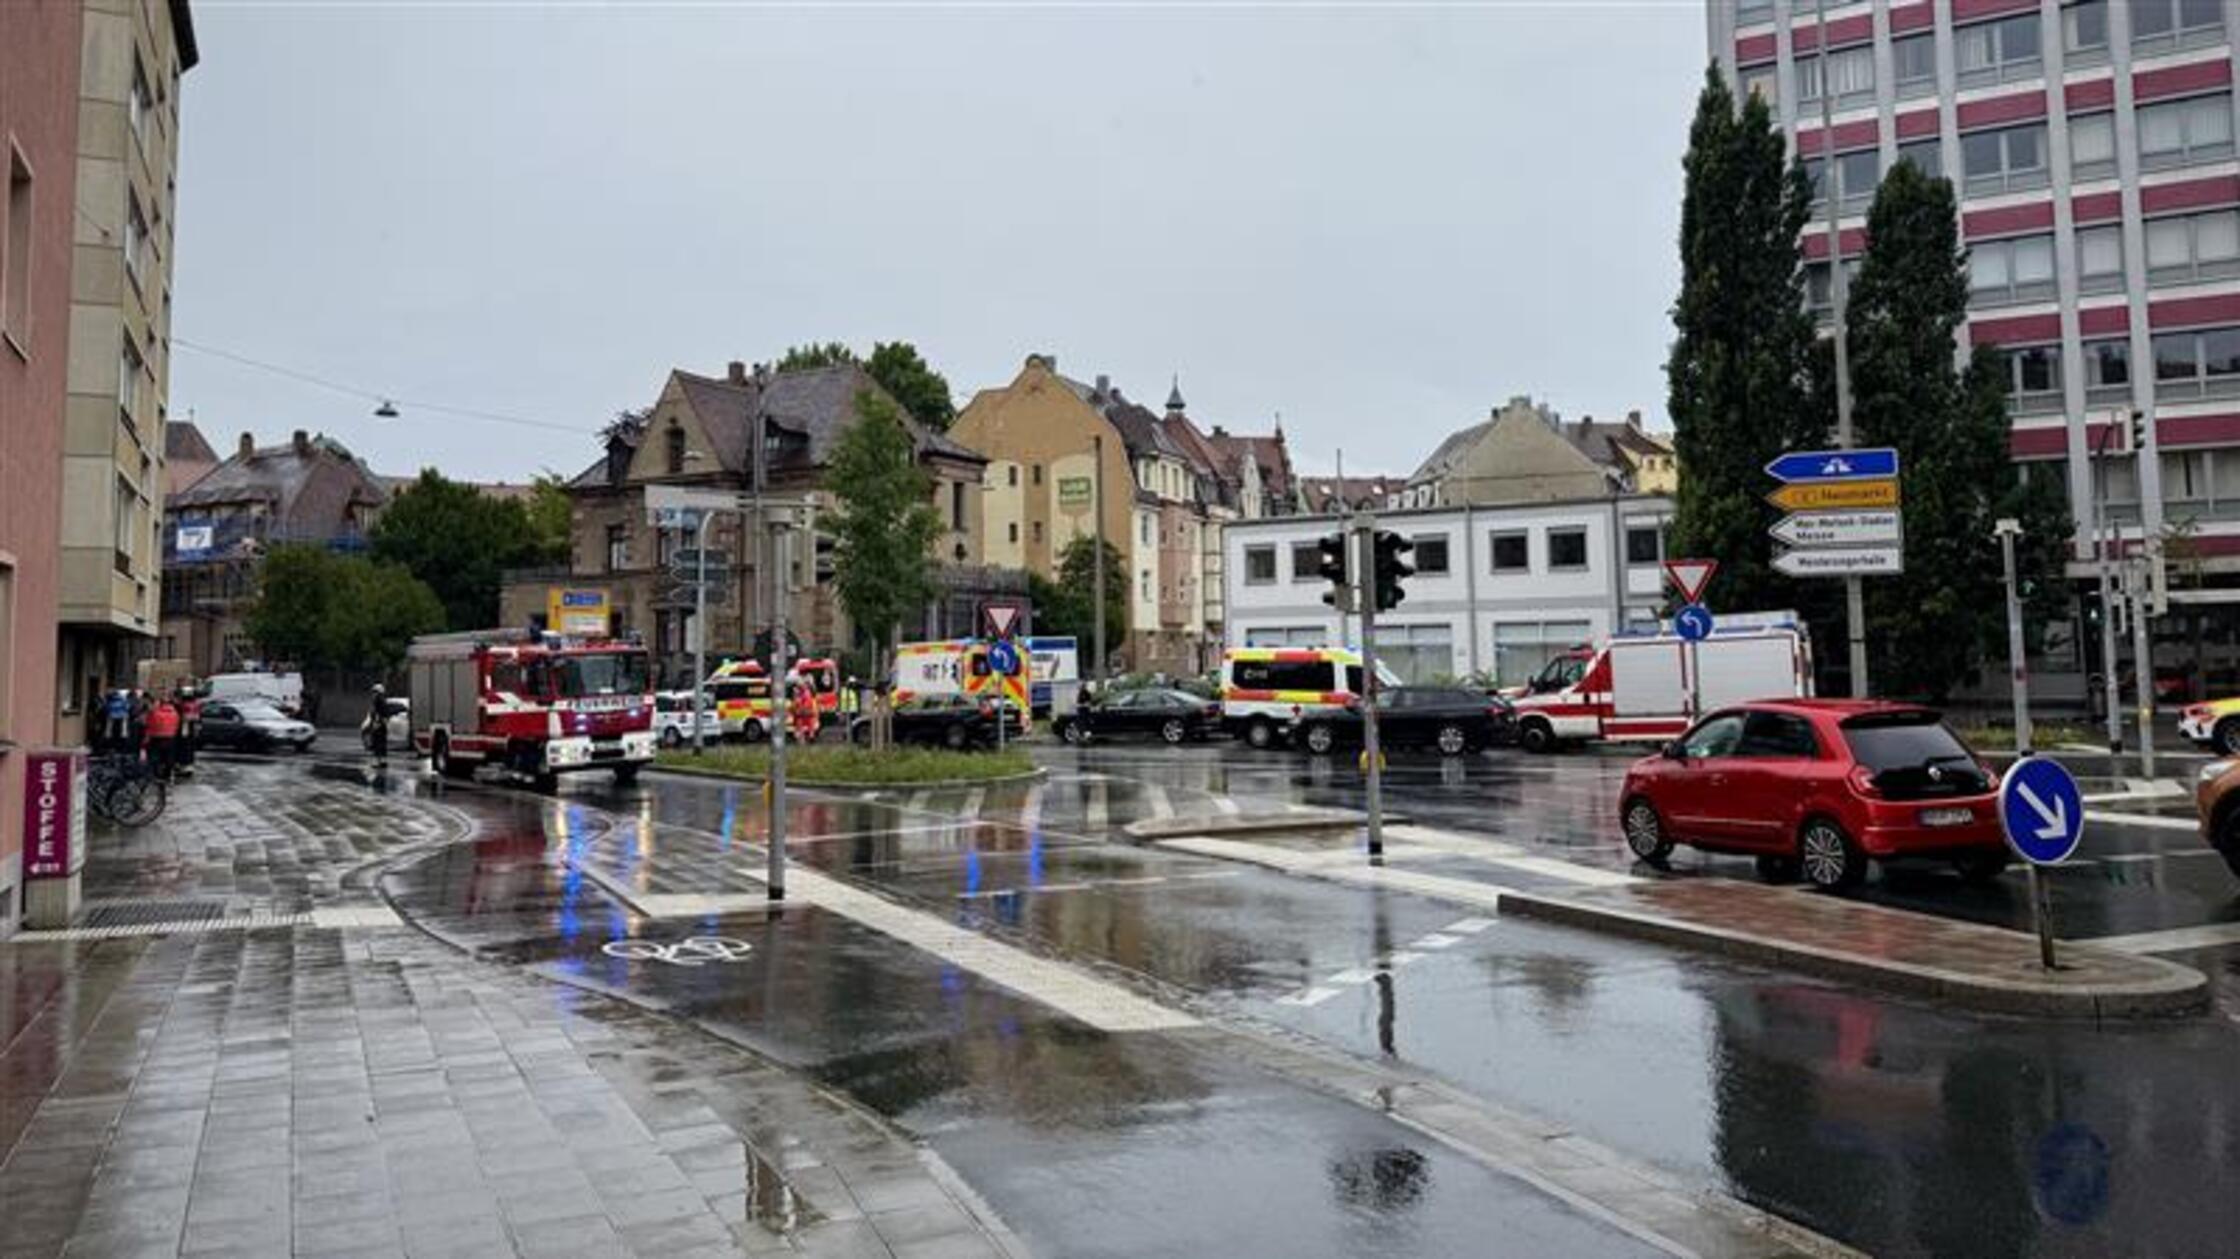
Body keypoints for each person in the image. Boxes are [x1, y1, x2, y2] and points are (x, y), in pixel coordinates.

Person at [143, 692, 181, 782]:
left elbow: (150, 725)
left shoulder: (155, 712)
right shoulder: (175, 713)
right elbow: (177, 725)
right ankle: (168, 774)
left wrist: (147, 738)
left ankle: (156, 774)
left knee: (155, 756)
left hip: (157, 737)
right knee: (169, 757)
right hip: (170, 737)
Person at [175, 686, 202, 777]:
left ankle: (184, 765)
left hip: (184, 727)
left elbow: (181, 716)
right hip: (190, 727)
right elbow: (198, 718)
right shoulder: (196, 704)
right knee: (189, 746)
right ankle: (188, 765)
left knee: (184, 746)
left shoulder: (182, 704)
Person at [366, 684, 393, 760]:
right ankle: (382, 760)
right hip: (380, 725)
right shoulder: (381, 701)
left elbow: (378, 713)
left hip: (379, 725)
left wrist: (377, 722)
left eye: (375, 692)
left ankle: (380, 760)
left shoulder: (379, 701)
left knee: (378, 743)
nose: (373, 694)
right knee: (381, 743)